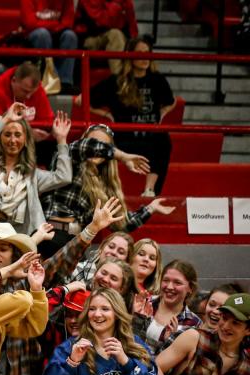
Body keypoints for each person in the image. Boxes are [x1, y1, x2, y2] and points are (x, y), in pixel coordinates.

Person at [40, 123, 173, 250]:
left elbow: (121, 224)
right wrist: (123, 156)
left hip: (74, 241)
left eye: (104, 145)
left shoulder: (104, 185)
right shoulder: (68, 157)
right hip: (48, 232)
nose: (97, 149)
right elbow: (85, 147)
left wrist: (151, 208)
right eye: (94, 142)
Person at [0, 103, 72, 235]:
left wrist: (61, 140)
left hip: (12, 236)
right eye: (7, 134)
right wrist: (5, 120)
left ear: (25, 139)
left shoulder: (31, 174)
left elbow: (64, 177)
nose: (12, 140)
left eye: (17, 135)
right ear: (0, 137)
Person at [90, 36, 175, 196]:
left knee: (163, 139)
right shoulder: (117, 81)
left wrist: (163, 114)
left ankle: (149, 190)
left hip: (151, 136)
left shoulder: (157, 79)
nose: (144, 57)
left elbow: (171, 101)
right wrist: (108, 115)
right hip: (125, 137)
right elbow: (83, 100)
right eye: (139, 52)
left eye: (147, 52)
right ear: (130, 55)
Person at [0, 63, 54, 142]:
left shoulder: (37, 90)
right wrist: (27, 133)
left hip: (31, 143)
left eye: (32, 92)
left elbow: (47, 121)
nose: (28, 96)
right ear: (13, 80)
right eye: (25, 91)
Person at [21, 0, 78, 92]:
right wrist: (56, 25)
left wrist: (46, 25)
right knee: (43, 34)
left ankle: (65, 82)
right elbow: (30, 23)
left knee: (70, 36)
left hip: (56, 33)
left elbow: (68, 23)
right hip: (35, 35)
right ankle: (51, 79)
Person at [144, 260, 202, 349]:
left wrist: (170, 341)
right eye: (166, 280)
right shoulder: (144, 303)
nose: (170, 287)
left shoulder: (194, 324)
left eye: (177, 282)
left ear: (190, 288)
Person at [75, 0, 138, 74]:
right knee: (115, 35)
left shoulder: (126, 2)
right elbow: (104, 22)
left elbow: (133, 29)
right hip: (91, 40)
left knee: (140, 45)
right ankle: (119, 80)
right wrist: (117, 5)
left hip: (118, 37)